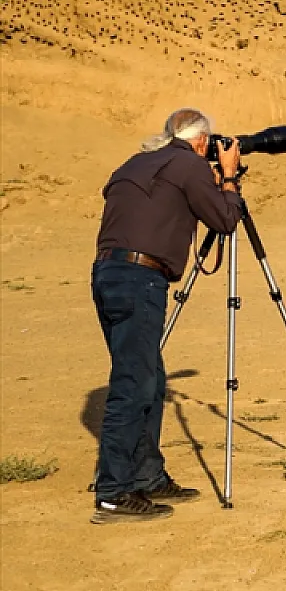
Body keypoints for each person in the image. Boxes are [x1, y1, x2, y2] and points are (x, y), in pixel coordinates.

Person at [91, 108, 243, 523]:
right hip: (141, 279)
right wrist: (227, 177)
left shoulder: (137, 162)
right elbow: (226, 219)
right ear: (200, 142)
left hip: (108, 273)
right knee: (133, 385)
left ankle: (146, 476)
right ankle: (113, 493)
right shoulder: (188, 164)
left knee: (150, 381)